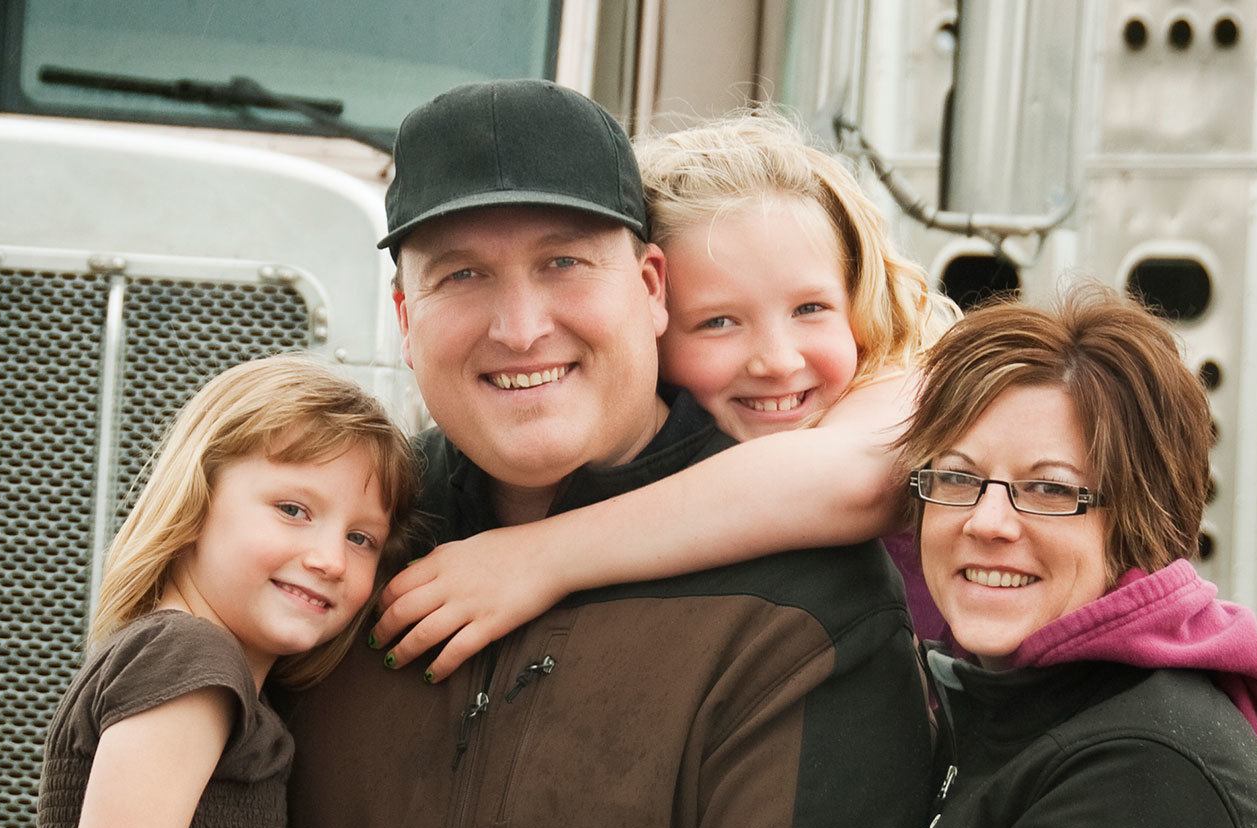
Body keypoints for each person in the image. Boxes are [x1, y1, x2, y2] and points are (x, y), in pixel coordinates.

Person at [283, 80, 934, 828]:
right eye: (462, 274)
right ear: (403, 321)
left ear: (651, 288)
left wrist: (543, 556)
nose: (521, 330)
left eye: (564, 263)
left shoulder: (809, 602)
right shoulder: (329, 542)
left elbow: (865, 464)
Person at [369, 111, 961, 682]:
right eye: (718, 322)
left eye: (811, 309)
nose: (778, 360)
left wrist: (536, 558)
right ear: (650, 312)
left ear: (859, 303)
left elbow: (855, 478)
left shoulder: (903, 390)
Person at [897, 290, 1257, 828]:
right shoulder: (1008, 705)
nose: (987, 522)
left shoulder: (1143, 770)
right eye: (957, 477)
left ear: (1141, 525)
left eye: (1050, 488)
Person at [32, 355, 416, 828]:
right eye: (293, 510)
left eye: (361, 538)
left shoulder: (205, 669)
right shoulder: (188, 659)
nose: (331, 560)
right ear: (197, 499)